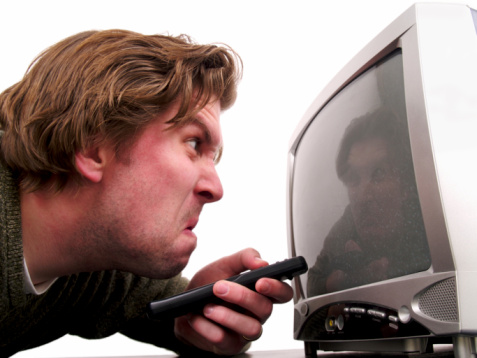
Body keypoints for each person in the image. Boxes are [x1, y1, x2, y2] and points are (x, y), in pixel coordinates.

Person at [0, 30, 293, 357]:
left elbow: (194, 324)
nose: (216, 189)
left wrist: (205, 315)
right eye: (194, 144)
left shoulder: (103, 272)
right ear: (94, 148)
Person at [307, 107, 431, 296]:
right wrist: (342, 281)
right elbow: (313, 283)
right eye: (354, 180)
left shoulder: (428, 226)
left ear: (405, 185)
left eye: (378, 174)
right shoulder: (346, 226)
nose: (363, 197)